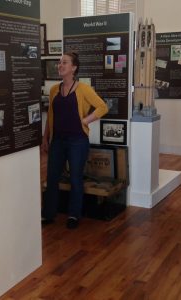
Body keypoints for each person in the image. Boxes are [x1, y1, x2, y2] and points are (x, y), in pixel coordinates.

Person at [41, 52, 109, 229]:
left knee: (75, 178)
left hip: (77, 140)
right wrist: (45, 137)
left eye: (64, 63)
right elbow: (50, 115)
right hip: (58, 140)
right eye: (59, 63)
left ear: (74, 67)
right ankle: (48, 214)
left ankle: (73, 215)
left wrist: (85, 120)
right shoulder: (54, 89)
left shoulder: (83, 89)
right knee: (52, 176)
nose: (60, 65)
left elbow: (103, 107)